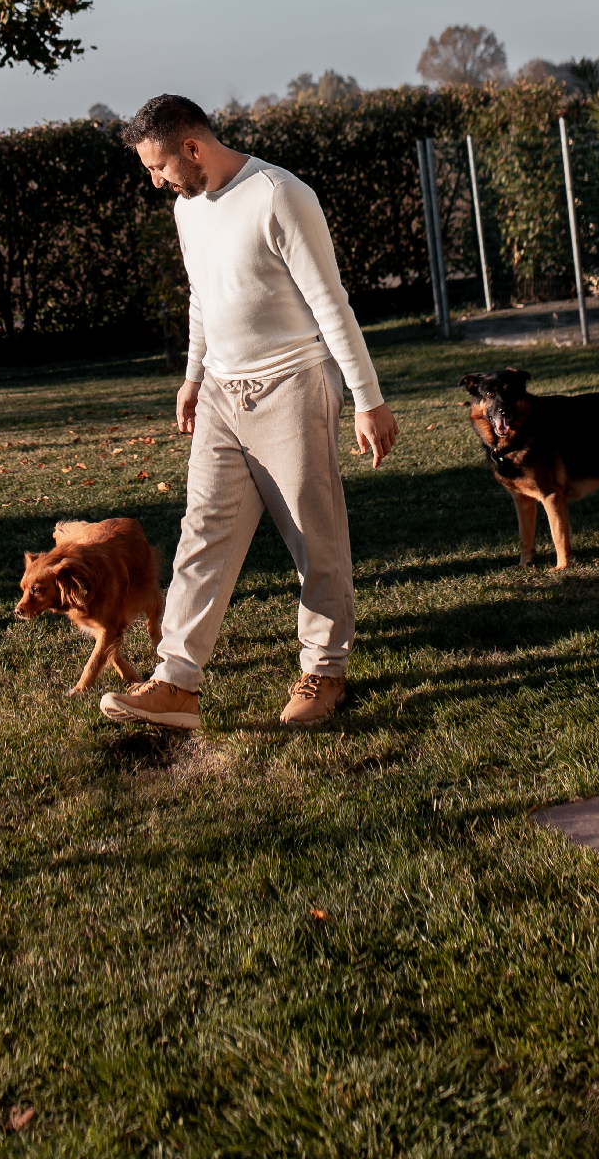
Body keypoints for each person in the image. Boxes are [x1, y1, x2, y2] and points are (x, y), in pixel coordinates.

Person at [100, 95, 399, 732]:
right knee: (201, 533)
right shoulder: (187, 206)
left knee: (315, 538)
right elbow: (202, 297)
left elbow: (331, 302)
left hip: (294, 387)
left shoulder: (279, 196)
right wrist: (193, 375)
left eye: (158, 167)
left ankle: (324, 670)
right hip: (220, 394)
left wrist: (367, 398)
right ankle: (176, 683)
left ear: (192, 148)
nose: (156, 182)